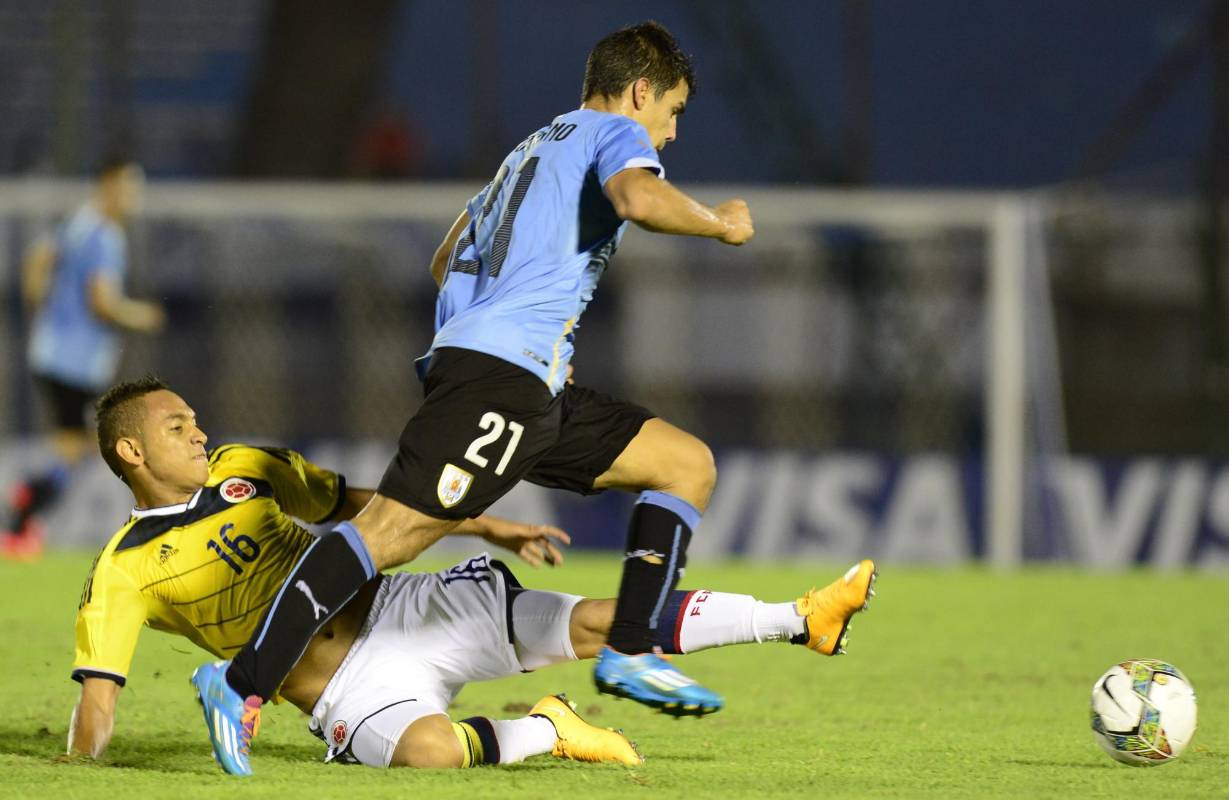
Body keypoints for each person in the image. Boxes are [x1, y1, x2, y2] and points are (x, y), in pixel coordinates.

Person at [194, 20, 877, 776]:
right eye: (673, 111)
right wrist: (719, 224)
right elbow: (637, 200)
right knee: (391, 534)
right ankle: (240, 681)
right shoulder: (613, 133)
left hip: (527, 381)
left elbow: (445, 256)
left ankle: (628, 650)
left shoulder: (531, 147)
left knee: (684, 465)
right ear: (640, 89)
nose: (671, 133)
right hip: (500, 378)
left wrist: (515, 321)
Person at [70, 377, 876, 771]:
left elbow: (364, 506)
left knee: (606, 621)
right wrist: (81, 767)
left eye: (194, 419)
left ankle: (801, 617)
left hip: (405, 605)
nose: (199, 432)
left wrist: (487, 522)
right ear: (132, 453)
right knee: (430, 755)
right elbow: (100, 694)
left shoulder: (247, 466)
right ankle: (550, 729)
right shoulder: (123, 570)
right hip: (346, 689)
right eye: (177, 427)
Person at [3, 157, 164, 560]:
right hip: (75, 361)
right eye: (128, 188)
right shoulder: (106, 235)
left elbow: (37, 259)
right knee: (104, 442)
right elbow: (102, 302)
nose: (133, 199)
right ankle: (28, 503)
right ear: (109, 186)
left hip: (52, 352)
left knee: (79, 446)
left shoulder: (80, 222)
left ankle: (26, 515)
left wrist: (39, 303)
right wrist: (141, 315)